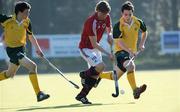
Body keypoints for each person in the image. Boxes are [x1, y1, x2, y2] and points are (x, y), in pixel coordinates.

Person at [0, 1, 50, 102]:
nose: (28, 14)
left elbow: (31, 37)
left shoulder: (27, 21)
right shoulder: (7, 20)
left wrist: (38, 49)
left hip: (22, 50)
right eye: (26, 12)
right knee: (33, 66)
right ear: (19, 12)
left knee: (9, 74)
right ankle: (39, 94)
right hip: (12, 50)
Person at [99, 1, 148, 99]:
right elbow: (119, 42)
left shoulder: (138, 22)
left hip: (131, 52)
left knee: (115, 76)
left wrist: (142, 44)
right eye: (125, 14)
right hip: (120, 51)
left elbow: (145, 32)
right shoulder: (118, 26)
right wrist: (129, 51)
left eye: (130, 14)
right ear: (122, 14)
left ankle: (97, 75)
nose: (128, 17)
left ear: (132, 13)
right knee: (130, 65)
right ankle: (135, 90)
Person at [76, 1, 113, 104]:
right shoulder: (91, 22)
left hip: (95, 49)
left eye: (106, 14)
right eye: (102, 14)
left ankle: (82, 95)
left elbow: (109, 28)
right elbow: (95, 44)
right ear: (97, 11)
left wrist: (109, 34)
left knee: (96, 75)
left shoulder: (107, 16)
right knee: (101, 66)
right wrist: (109, 54)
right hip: (86, 48)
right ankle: (83, 74)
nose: (104, 16)